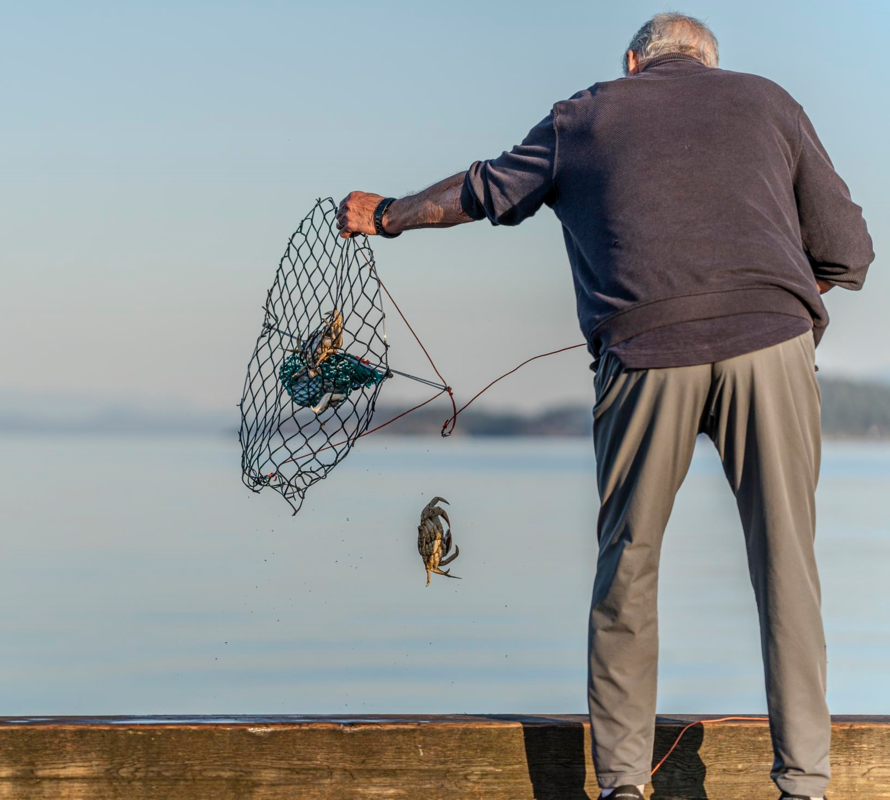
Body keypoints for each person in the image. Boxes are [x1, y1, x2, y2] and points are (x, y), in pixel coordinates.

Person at [337, 12, 874, 800]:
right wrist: (767, 294)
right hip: (772, 346)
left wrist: (387, 213)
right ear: (713, 64)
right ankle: (806, 786)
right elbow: (849, 253)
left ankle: (624, 787)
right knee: (788, 564)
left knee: (630, 562)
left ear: (632, 62)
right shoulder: (769, 101)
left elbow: (482, 191)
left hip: (645, 348)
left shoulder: (585, 114)